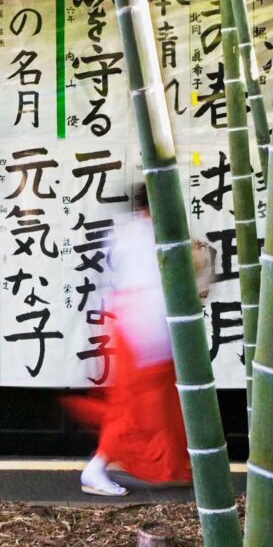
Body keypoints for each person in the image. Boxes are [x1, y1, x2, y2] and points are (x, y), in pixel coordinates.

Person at [66, 187, 195, 496]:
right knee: (135, 411)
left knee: (155, 409)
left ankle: (171, 468)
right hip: (146, 334)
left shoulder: (131, 232)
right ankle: (96, 468)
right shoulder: (147, 236)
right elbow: (155, 288)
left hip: (138, 330)